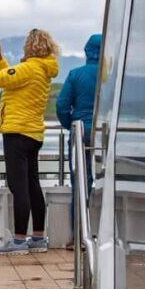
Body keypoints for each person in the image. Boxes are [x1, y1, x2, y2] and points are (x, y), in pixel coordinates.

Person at [0, 29, 60, 255]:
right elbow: (11, 80)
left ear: (30, 46)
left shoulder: (30, 68)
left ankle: (18, 241)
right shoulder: (42, 70)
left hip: (17, 133)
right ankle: (38, 238)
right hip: (33, 134)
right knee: (33, 185)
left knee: (19, 187)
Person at [55, 34, 101, 247]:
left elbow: (61, 105)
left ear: (87, 51)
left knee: (80, 183)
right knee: (107, 181)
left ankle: (78, 236)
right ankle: (105, 234)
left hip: (80, 132)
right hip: (104, 134)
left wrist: (70, 125)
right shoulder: (110, 76)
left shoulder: (75, 74)